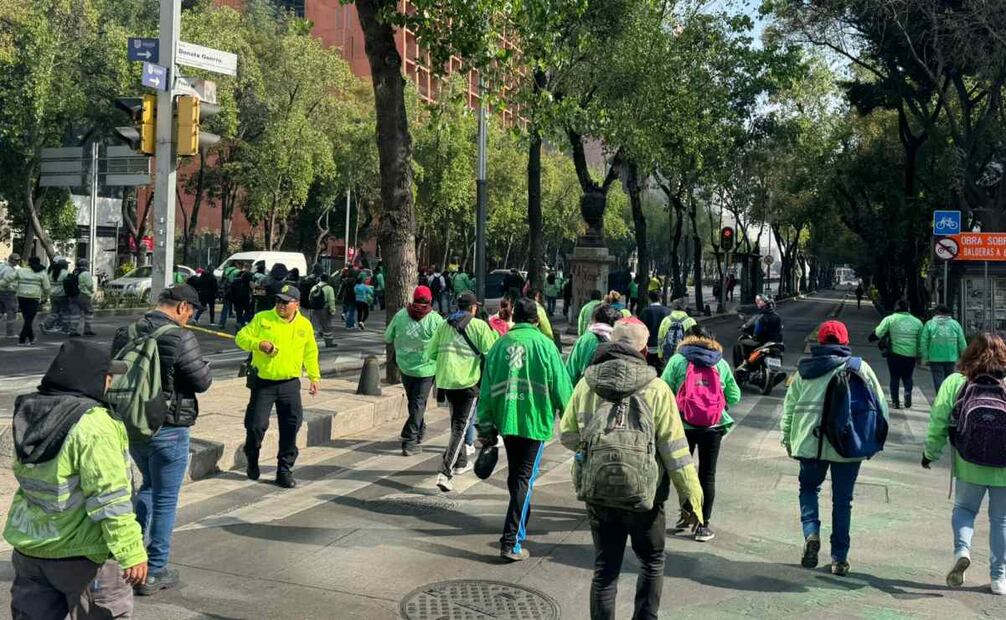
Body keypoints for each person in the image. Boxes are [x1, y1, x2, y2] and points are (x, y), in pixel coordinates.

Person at [560, 317, 704, 619]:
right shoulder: (658, 388)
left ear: (611, 344)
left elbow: (567, 434)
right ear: (644, 349)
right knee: (651, 562)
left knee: (605, 570)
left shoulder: (587, 383)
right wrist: (691, 498)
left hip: (599, 492)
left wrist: (596, 451)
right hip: (646, 496)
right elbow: (676, 452)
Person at [4, 341, 148, 618]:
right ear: (92, 376)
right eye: (107, 375)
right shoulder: (94, 424)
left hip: (31, 547)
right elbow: (111, 498)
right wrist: (131, 551)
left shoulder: (30, 412)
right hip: (83, 554)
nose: (109, 382)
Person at [111, 284, 212, 595]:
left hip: (133, 425)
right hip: (169, 427)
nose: (189, 318)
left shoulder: (126, 332)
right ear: (182, 307)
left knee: (148, 486)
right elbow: (201, 381)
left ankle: (129, 559)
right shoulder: (180, 336)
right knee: (165, 499)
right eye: (190, 312)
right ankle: (155, 570)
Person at [781, 320, 888, 576]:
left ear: (819, 341)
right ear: (845, 341)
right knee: (843, 501)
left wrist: (788, 439)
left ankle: (811, 533)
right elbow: (881, 407)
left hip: (810, 444)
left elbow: (789, 408)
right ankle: (839, 558)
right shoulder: (860, 367)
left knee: (809, 489)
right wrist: (875, 440)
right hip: (849, 445)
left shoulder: (804, 370)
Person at [477, 298, 573, 561]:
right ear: (536, 320)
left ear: (514, 318)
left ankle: (518, 521)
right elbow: (563, 388)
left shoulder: (499, 345)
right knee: (524, 480)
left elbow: (486, 390)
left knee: (516, 477)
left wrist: (485, 425)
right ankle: (511, 542)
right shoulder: (545, 346)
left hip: (506, 421)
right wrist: (572, 422)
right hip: (534, 422)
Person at [923, 332, 1006, 594]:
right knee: (1001, 520)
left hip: (968, 460)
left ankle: (962, 551)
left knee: (965, 509)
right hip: (1004, 466)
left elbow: (939, 419)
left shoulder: (956, 382)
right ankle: (999, 579)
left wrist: (930, 453)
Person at [236, 284, 321, 489]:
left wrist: (314, 377)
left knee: (291, 426)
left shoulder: (304, 325)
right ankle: (252, 455)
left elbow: (310, 352)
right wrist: (259, 344)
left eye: (285, 302)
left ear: (297, 304)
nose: (281, 305)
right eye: (278, 301)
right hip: (264, 383)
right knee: (255, 426)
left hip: (289, 384)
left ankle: (284, 469)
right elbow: (241, 337)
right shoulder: (263, 318)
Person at [661, 325, 741, 542]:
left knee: (682, 472)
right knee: (707, 474)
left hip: (682, 426)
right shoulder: (720, 363)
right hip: (712, 428)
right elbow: (735, 396)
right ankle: (703, 525)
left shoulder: (677, 361)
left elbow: (663, 391)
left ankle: (687, 514)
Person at [427, 291, 498, 491]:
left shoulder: (444, 324)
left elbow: (431, 352)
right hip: (468, 383)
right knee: (460, 427)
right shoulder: (479, 326)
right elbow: (492, 353)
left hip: (447, 381)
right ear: (473, 308)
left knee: (456, 425)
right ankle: (445, 472)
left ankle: (461, 462)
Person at [386, 286, 445, 456]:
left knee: (414, 402)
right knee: (418, 403)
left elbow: (387, 337)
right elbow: (444, 342)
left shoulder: (400, 315)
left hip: (405, 367)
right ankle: (410, 441)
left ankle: (419, 429)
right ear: (430, 300)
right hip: (426, 369)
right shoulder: (435, 319)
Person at [870, 299, 923, 409]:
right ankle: (907, 393)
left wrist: (871, 337)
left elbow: (878, 332)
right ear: (908, 308)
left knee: (894, 377)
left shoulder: (890, 319)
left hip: (895, 354)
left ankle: (895, 401)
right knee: (908, 377)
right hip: (910, 355)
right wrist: (919, 355)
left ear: (896, 307)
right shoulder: (917, 322)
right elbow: (920, 341)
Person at [565, 304, 621, 386]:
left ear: (594, 319)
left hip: (585, 388)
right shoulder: (618, 339)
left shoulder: (585, 339)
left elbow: (571, 372)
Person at [920, 304, 967, 392]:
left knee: (938, 379)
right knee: (949, 380)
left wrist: (925, 357)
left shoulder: (929, 324)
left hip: (934, 358)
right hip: (951, 357)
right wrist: (964, 357)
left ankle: (940, 397)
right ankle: (949, 397)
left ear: (937, 312)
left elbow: (923, 342)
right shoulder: (955, 324)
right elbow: (962, 342)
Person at [733, 294, 783, 368]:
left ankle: (744, 363)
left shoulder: (760, 317)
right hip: (776, 342)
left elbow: (754, 329)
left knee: (740, 343)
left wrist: (745, 328)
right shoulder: (777, 316)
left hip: (762, 342)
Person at [15, 255, 51, 346]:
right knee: (29, 319)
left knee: (27, 319)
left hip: (21, 297)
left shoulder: (21, 270)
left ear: (28, 262)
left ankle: (31, 338)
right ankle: (22, 339)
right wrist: (45, 297)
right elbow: (47, 287)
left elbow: (13, 281)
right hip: (34, 297)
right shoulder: (42, 272)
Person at [657, 300, 698, 365]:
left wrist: (660, 354)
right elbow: (695, 340)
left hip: (668, 355)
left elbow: (660, 338)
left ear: (673, 307)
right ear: (685, 307)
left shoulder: (666, 320)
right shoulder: (691, 321)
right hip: (685, 356)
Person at [639, 292, 671, 369]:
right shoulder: (668, 311)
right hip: (663, 346)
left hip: (649, 346)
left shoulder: (645, 311)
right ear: (660, 299)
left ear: (649, 299)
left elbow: (640, 328)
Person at [67, 258, 97, 338]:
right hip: (83, 295)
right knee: (88, 312)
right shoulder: (85, 273)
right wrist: (91, 290)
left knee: (75, 314)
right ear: (86, 265)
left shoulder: (75, 272)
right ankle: (87, 330)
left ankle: (73, 331)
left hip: (73, 295)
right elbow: (89, 285)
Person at [41, 256, 71, 335]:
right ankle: (64, 327)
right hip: (62, 295)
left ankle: (46, 323)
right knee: (64, 312)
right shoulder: (65, 273)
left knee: (54, 312)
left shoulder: (50, 272)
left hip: (52, 295)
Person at [310, 273, 338, 348]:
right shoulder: (329, 288)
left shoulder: (314, 287)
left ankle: (311, 343)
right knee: (327, 327)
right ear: (327, 279)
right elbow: (331, 300)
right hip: (324, 309)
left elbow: (310, 297)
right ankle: (329, 343)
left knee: (314, 327)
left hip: (314, 309)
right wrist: (332, 310)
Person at [0, 252, 20, 340]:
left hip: (1, 292)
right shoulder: (9, 269)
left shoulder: (2, 266)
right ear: (11, 260)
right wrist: (14, 288)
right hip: (9, 293)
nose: (18, 262)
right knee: (11, 313)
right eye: (16, 260)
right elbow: (6, 281)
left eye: (19, 260)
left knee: (1, 312)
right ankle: (10, 333)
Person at [218, 261, 243, 329]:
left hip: (227, 292)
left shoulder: (226, 270)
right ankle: (239, 323)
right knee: (238, 309)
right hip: (235, 292)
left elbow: (222, 280)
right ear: (237, 264)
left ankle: (221, 323)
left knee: (225, 308)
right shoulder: (237, 271)